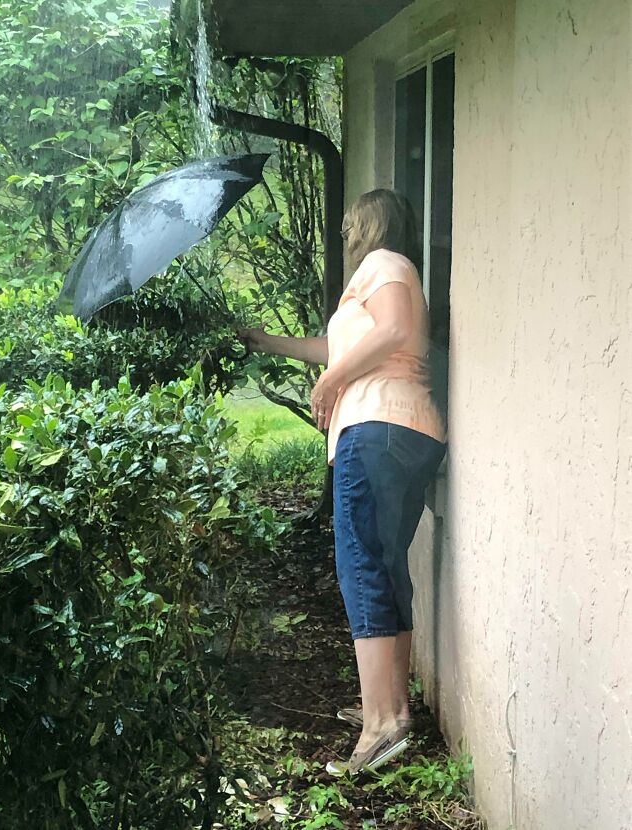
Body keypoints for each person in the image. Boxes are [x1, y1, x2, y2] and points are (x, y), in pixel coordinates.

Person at [238, 189, 447, 776]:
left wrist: (331, 382)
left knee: (360, 566)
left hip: (376, 427)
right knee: (382, 565)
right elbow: (344, 345)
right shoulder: (384, 275)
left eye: (351, 221)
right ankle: (391, 708)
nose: (344, 231)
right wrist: (267, 342)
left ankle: (384, 723)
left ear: (372, 222)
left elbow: (397, 331)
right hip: (406, 432)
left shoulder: (384, 264)